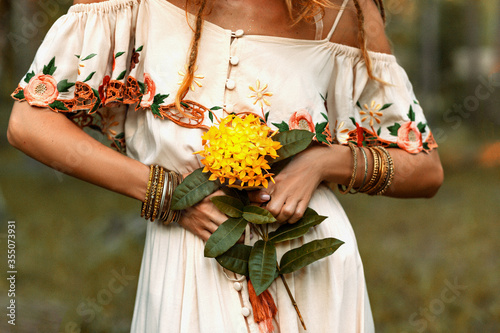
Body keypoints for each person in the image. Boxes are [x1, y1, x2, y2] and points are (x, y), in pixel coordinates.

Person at [7, 0, 443, 331]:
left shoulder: (342, 10)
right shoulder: (136, 6)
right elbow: (30, 121)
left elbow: (425, 169)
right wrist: (170, 195)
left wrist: (325, 160)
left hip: (312, 263)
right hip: (189, 260)